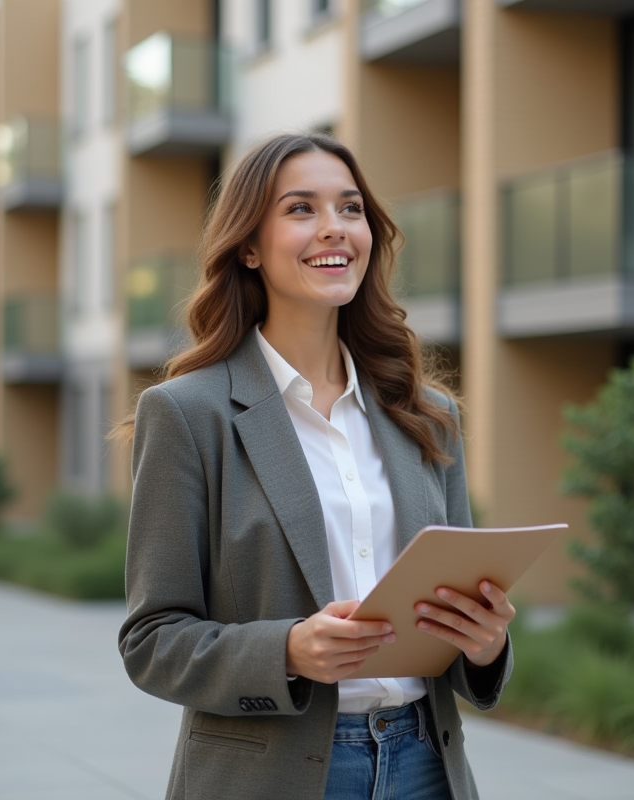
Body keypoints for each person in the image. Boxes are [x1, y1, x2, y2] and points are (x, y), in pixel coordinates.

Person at [116, 133, 515, 800]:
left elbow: (461, 605)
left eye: (351, 208)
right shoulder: (188, 414)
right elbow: (152, 640)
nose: (334, 228)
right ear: (249, 246)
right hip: (272, 774)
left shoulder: (428, 413)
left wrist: (486, 644)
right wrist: (288, 651)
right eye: (301, 209)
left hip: (426, 767)